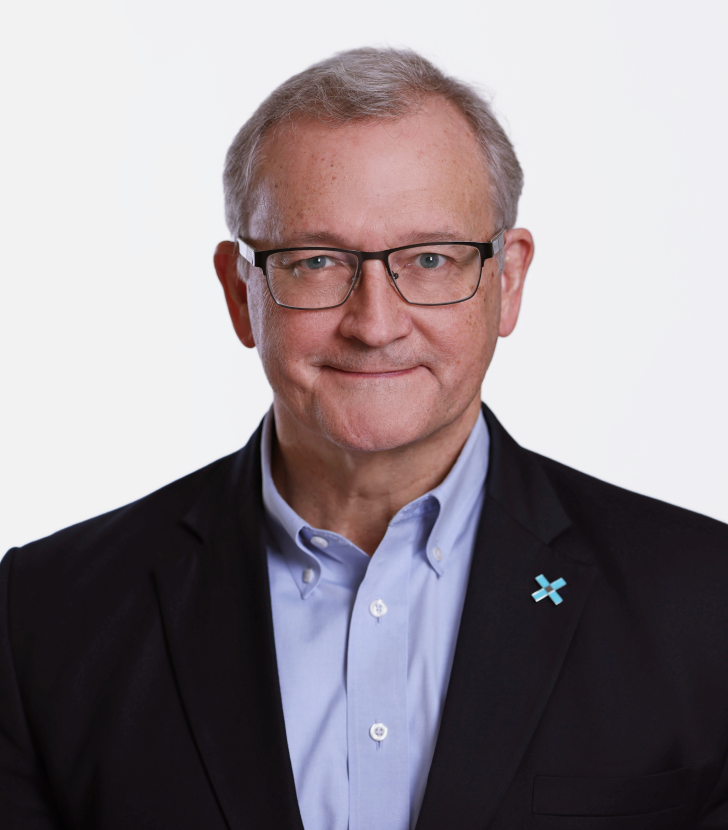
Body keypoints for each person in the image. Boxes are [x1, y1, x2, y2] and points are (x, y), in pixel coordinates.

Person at [1, 47, 727, 830]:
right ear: (240, 294)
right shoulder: (43, 619)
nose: (375, 325)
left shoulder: (704, 604)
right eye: (316, 262)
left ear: (508, 282)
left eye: (430, 259)